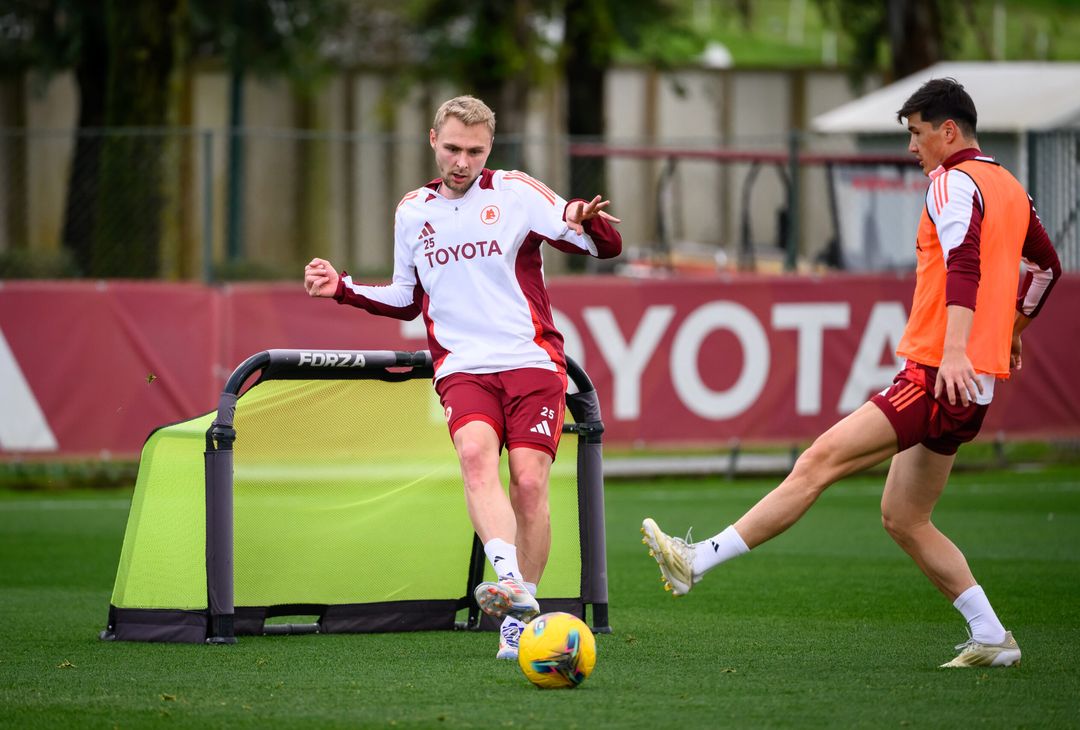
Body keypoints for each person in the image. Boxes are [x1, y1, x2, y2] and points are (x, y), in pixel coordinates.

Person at [641, 78, 1060, 668]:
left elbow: (963, 264)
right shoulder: (1011, 187)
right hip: (972, 386)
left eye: (916, 134)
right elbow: (1047, 268)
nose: (912, 147)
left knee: (818, 462)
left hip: (938, 374)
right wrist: (1011, 332)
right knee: (905, 517)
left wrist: (957, 350)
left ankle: (696, 560)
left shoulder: (950, 182)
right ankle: (991, 636)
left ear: (948, 132)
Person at [304, 95, 621, 660]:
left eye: (474, 151)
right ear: (433, 140)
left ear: (489, 148)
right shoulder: (413, 211)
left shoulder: (515, 192)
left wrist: (583, 218)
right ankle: (513, 588)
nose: (462, 161)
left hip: (530, 361)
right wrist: (343, 289)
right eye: (452, 148)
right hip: (463, 367)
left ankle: (517, 617)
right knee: (475, 457)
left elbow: (603, 244)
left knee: (529, 486)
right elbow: (406, 298)